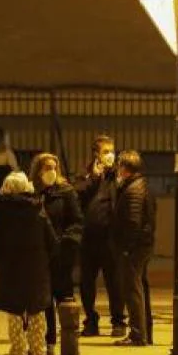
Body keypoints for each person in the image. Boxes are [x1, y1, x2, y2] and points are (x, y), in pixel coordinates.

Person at [0, 172, 56, 355]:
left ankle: (17, 350)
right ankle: (38, 349)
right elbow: (51, 240)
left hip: (10, 268)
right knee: (36, 310)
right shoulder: (38, 208)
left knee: (15, 311)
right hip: (36, 268)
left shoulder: (2, 211)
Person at [30, 153, 83, 355]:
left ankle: (70, 342)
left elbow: (77, 220)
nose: (50, 171)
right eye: (46, 168)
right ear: (38, 171)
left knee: (64, 298)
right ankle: (48, 341)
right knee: (44, 300)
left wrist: (67, 242)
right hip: (40, 254)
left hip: (61, 254)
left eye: (53, 167)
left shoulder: (65, 191)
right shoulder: (32, 192)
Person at [74, 135, 126, 337]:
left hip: (111, 238)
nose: (110, 155)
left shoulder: (118, 175)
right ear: (96, 154)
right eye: (106, 152)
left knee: (115, 281)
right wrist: (93, 178)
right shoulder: (85, 175)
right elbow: (77, 193)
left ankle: (118, 321)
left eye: (112, 151)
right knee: (86, 282)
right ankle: (91, 320)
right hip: (88, 238)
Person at [112, 150, 155, 347]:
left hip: (134, 248)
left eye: (119, 166)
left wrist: (126, 248)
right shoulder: (139, 186)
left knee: (133, 289)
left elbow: (132, 222)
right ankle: (144, 332)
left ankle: (138, 334)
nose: (117, 170)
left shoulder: (133, 190)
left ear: (125, 168)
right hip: (141, 246)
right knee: (139, 288)